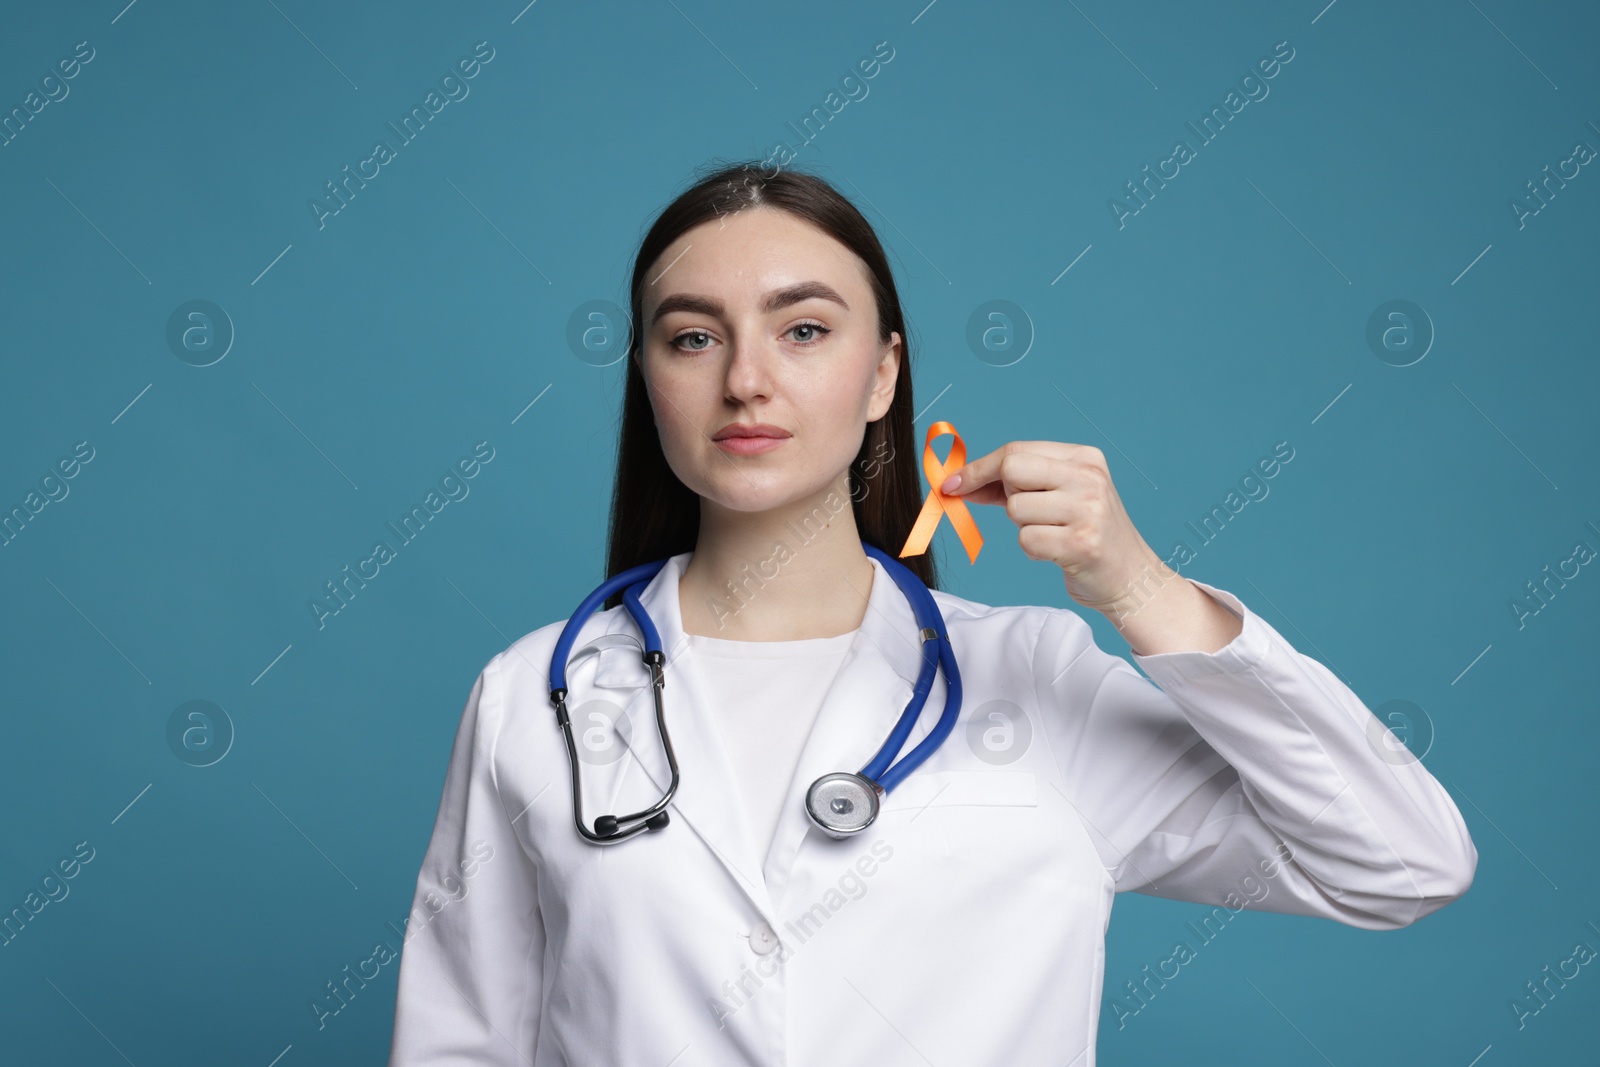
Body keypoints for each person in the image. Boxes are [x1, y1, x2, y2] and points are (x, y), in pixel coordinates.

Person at [387, 161, 1477, 1065]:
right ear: (649, 378)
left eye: (803, 329)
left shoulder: (1035, 680)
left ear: (883, 376)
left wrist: (1142, 588)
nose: (747, 381)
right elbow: (460, 1043)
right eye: (692, 337)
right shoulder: (542, 695)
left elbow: (1401, 859)